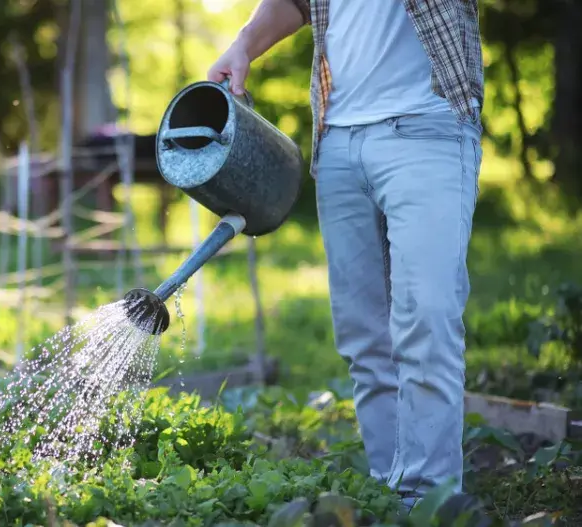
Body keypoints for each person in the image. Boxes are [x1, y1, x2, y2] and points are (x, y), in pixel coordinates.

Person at [207, 0, 484, 511]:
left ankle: (429, 502)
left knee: (426, 315)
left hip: (428, 126)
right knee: (364, 334)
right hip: (338, 137)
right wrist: (244, 44)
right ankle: (386, 490)